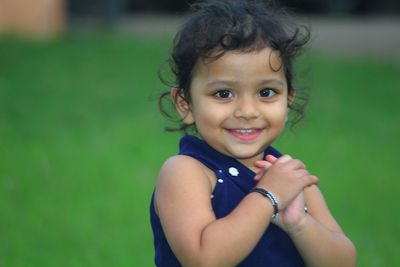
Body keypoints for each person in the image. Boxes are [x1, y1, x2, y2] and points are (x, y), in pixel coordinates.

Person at [150, 0, 357, 266]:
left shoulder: (288, 177)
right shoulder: (187, 172)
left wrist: (299, 223)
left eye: (266, 92)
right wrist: (267, 197)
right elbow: (204, 259)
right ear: (185, 103)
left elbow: (344, 262)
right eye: (223, 94)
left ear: (288, 99)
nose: (248, 111)